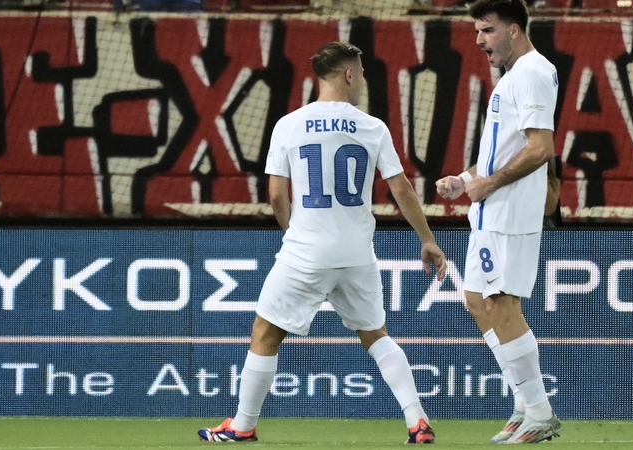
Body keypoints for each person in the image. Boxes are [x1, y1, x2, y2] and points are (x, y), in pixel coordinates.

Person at [197, 42, 447, 445]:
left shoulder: (289, 124)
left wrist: (292, 231)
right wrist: (428, 240)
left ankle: (242, 425)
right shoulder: (373, 127)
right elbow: (401, 188)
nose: (362, 80)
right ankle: (417, 422)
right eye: (361, 72)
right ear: (348, 74)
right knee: (377, 336)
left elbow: (276, 194)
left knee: (265, 333)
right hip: (357, 254)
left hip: (306, 253)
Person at [435, 0, 561, 444]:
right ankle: (523, 403)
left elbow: (541, 148)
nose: (478, 40)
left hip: (509, 211)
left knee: (502, 305)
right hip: (490, 210)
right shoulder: (513, 76)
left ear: (513, 30)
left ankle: (540, 412)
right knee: (476, 299)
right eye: (477, 30)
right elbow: (500, 151)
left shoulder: (531, 73)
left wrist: (489, 184)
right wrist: (465, 179)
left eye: (487, 30)